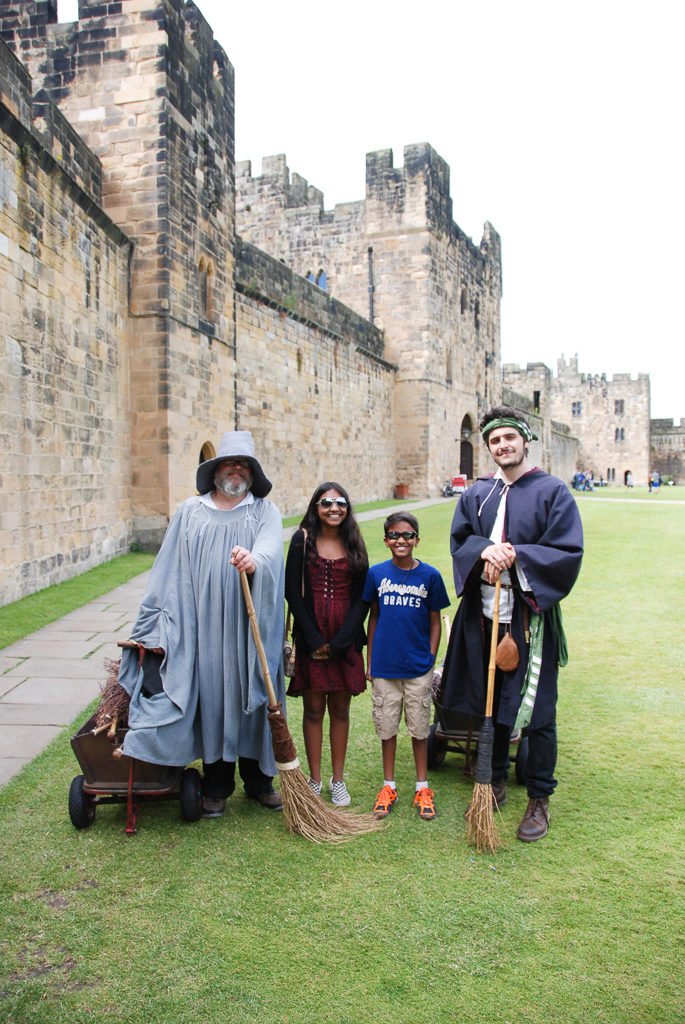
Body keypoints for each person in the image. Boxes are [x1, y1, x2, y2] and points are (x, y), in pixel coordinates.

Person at [118, 431, 286, 817]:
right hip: (203, 626)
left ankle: (260, 781)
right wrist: (156, 623)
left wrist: (253, 560)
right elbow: (169, 569)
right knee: (213, 699)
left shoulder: (264, 511)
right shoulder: (190, 512)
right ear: (214, 470)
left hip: (251, 626)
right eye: (229, 463)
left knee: (256, 696)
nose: (236, 470)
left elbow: (271, 548)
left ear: (252, 472)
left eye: (243, 464)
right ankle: (217, 785)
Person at [440, 406, 583, 841]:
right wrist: (486, 550)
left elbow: (566, 552)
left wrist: (515, 554)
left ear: (525, 440)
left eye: (509, 438)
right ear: (489, 448)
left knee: (536, 712)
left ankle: (538, 798)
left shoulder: (553, 493)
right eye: (494, 441)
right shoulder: (477, 493)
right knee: (492, 704)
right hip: (484, 619)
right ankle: (495, 781)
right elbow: (460, 540)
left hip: (527, 620)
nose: (502, 446)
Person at [285, 483, 369, 806]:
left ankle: (338, 781)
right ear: (316, 506)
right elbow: (292, 591)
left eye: (340, 502)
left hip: (344, 640)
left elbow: (362, 596)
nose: (334, 508)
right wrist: (315, 639)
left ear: (347, 507)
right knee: (313, 709)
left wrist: (340, 642)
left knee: (341, 710)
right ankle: (315, 779)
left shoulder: (354, 542)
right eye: (327, 503)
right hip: (311, 637)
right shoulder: (301, 540)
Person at [362, 512, 450, 820]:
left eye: (408, 535)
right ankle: (389, 785)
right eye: (395, 536)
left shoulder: (430, 576)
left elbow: (435, 620)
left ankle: (422, 787)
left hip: (417, 668)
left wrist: (430, 658)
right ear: (386, 541)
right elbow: (373, 617)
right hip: (385, 667)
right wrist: (370, 661)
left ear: (417, 540)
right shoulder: (377, 574)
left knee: (418, 728)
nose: (402, 540)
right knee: (387, 728)